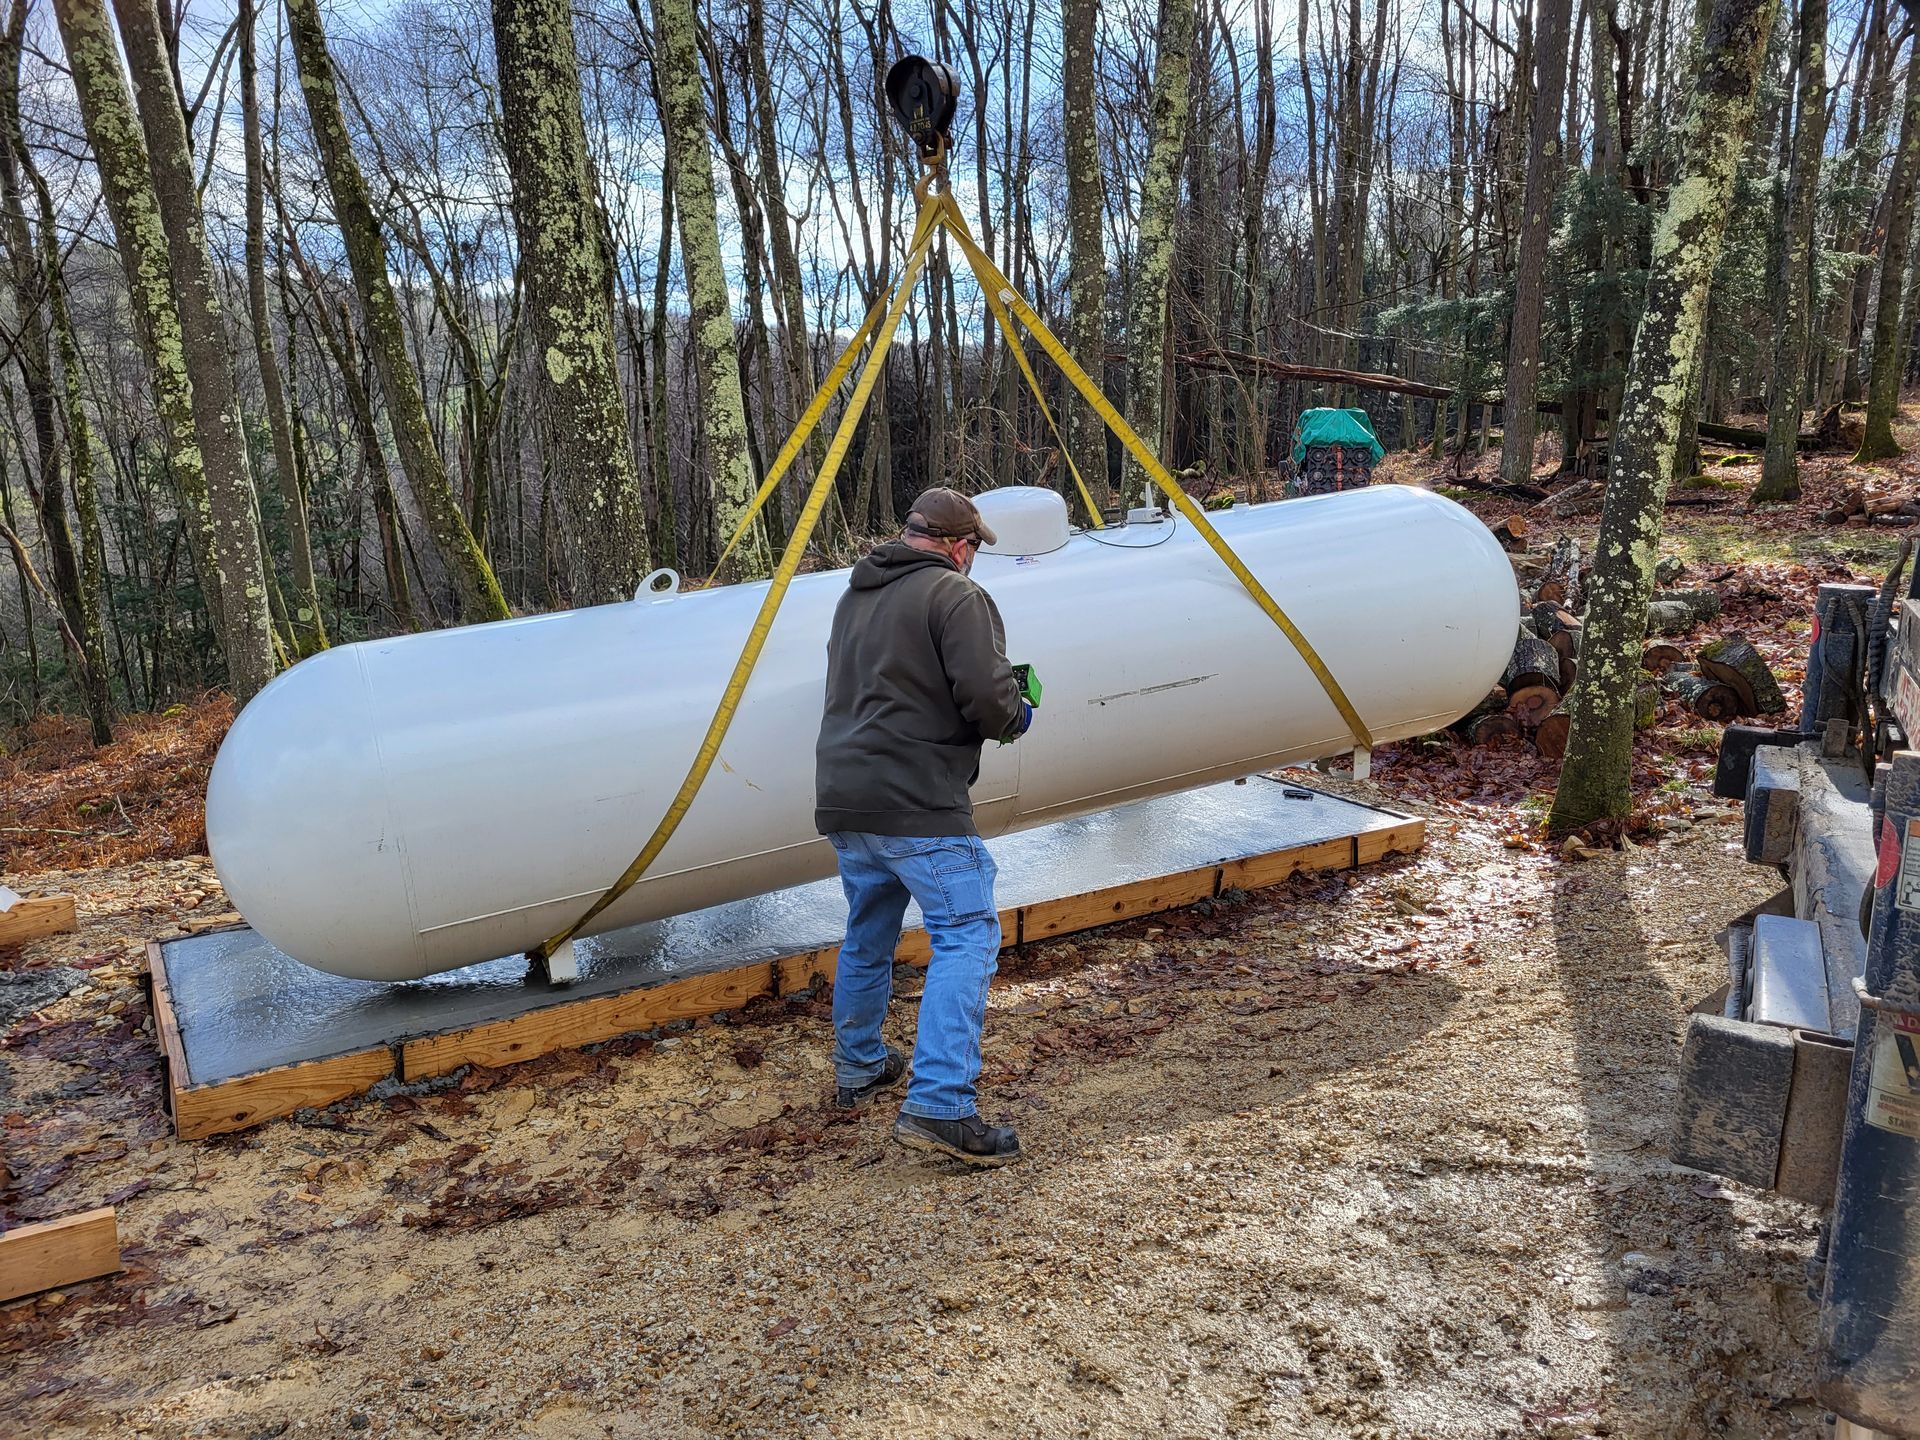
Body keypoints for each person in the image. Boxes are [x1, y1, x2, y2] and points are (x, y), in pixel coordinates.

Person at [814, 487, 1033, 1167]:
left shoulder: (855, 596)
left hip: (848, 797)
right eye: (974, 551)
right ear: (961, 546)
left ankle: (860, 1066)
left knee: (869, 931)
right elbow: (989, 701)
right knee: (967, 934)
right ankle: (940, 1104)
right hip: (918, 798)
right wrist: (1020, 709)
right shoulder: (955, 596)